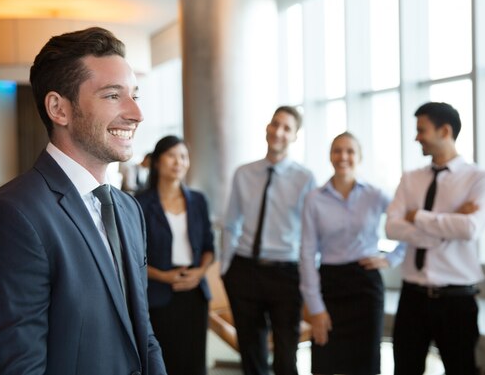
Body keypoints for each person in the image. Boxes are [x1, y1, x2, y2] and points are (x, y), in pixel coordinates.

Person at [0, 27, 167, 375]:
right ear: (59, 109)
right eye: (112, 96)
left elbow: (143, 334)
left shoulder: (129, 209)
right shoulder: (9, 217)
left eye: (135, 95)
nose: (136, 113)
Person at [385, 102, 485, 375]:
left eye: (422, 130)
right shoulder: (410, 179)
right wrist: (450, 221)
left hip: (457, 299)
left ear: (445, 131)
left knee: (461, 370)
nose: (416, 137)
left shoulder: (479, 179)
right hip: (412, 296)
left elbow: (469, 229)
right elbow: (391, 229)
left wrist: (418, 217)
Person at [300, 132, 406, 375]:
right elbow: (306, 254)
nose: (343, 156)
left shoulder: (376, 195)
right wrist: (315, 307)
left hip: (365, 285)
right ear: (330, 155)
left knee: (366, 365)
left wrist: (390, 259)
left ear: (360, 157)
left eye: (350, 151)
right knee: (324, 363)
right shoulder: (314, 199)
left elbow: (408, 230)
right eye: (337, 150)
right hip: (329, 284)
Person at [222, 106, 316, 375]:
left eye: (287, 128)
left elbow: (311, 234)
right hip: (244, 269)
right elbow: (231, 223)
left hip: (285, 273)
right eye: (275, 124)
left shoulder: (305, 178)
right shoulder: (243, 173)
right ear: (267, 127)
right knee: (252, 355)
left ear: (295, 136)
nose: (278, 131)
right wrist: (226, 269)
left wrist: (308, 275)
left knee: (286, 355)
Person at [136, 135, 215, 375]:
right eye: (171, 155)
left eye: (183, 156)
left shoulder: (198, 201)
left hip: (194, 293)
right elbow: (133, 256)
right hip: (159, 295)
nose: (178, 162)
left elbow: (210, 247)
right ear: (157, 162)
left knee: (194, 364)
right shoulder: (139, 203)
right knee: (163, 362)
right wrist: (163, 276)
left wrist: (199, 273)